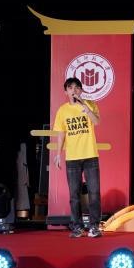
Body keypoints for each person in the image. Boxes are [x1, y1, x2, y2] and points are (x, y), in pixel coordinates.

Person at [53, 77, 102, 238]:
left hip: (90, 155)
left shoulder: (90, 104)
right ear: (66, 91)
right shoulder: (62, 110)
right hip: (72, 157)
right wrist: (58, 154)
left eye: (77, 87)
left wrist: (85, 107)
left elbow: (96, 122)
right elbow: (61, 133)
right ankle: (77, 227)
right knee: (74, 195)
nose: (73, 90)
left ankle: (94, 226)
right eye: (70, 88)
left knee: (94, 193)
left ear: (81, 90)